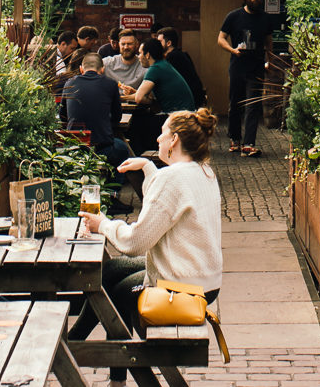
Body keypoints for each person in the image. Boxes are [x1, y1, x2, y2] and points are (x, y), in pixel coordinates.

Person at [76, 108, 225, 382]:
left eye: (163, 133)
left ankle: (75, 352)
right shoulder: (203, 172)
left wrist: (103, 225)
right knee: (111, 271)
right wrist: (147, 167)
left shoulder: (173, 179)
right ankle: (85, 354)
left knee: (114, 293)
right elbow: (168, 204)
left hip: (185, 289)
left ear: (174, 140)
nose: (158, 139)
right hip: (204, 281)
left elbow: (135, 242)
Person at [217, 0, 274, 156]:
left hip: (256, 66)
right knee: (235, 103)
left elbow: (268, 42)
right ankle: (235, 139)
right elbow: (220, 38)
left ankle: (248, 144)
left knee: (253, 105)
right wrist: (232, 50)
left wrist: (269, 60)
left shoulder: (265, 18)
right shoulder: (233, 16)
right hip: (237, 65)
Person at [61, 53, 131, 169]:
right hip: (102, 146)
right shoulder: (111, 84)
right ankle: (115, 185)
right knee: (122, 148)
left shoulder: (69, 83)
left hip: (75, 146)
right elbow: (117, 117)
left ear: (81, 69)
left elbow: (62, 115)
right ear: (102, 69)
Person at [123, 36, 197, 146]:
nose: (138, 57)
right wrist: (135, 93)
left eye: (140, 53)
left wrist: (119, 97)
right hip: (185, 115)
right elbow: (144, 96)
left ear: (147, 55)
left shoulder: (155, 69)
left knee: (136, 126)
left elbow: (139, 98)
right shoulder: (163, 65)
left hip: (177, 118)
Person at [156, 25, 207, 107]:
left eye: (159, 42)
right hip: (194, 99)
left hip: (187, 103)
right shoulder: (181, 54)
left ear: (168, 43)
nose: (157, 45)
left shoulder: (173, 57)